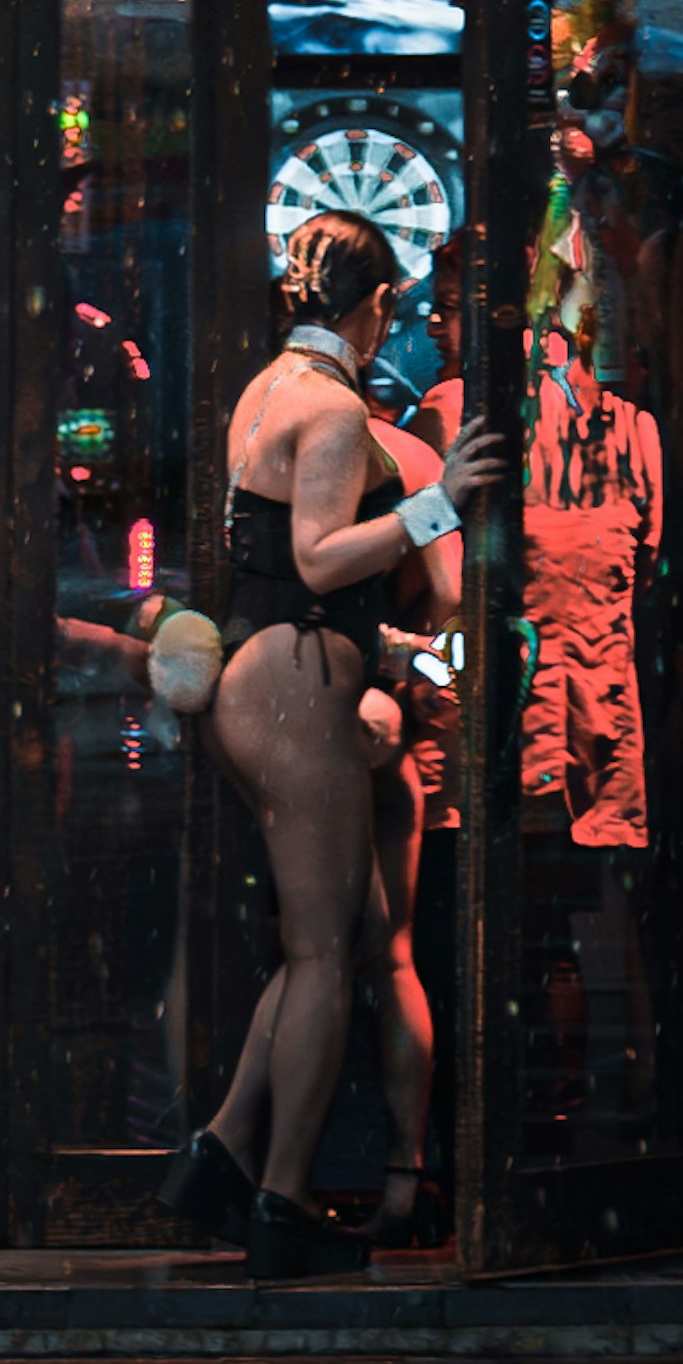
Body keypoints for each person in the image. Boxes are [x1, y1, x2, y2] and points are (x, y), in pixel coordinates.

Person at [156, 215, 506, 1276]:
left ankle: (221, 1151)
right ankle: (283, 1199)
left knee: (314, 944)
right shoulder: (336, 409)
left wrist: (390, 650)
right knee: (323, 956)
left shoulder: (269, 388)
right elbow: (316, 560)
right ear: (378, 303)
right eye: (393, 303)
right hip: (300, 686)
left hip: (258, 678)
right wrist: (441, 503)